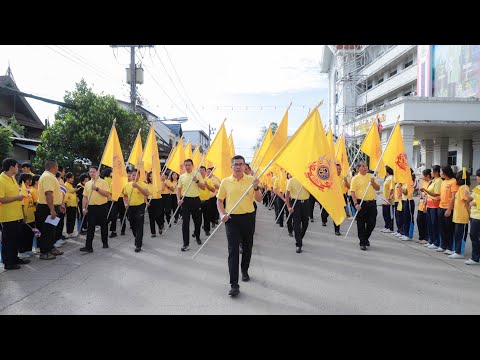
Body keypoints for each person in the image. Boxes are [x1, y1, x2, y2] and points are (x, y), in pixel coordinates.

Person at [217, 155, 262, 297]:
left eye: (241, 164)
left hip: (248, 218)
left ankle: (244, 269)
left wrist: (256, 188)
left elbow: (259, 200)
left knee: (248, 247)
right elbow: (219, 201)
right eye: (235, 164)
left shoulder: (251, 180)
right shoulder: (225, 182)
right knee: (233, 251)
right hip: (232, 220)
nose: (238, 166)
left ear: (244, 167)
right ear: (232, 166)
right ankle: (234, 284)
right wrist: (222, 214)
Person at [0, 158, 30, 270]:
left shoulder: (12, 178)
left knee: (16, 239)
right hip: (7, 216)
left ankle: (15, 258)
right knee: (8, 240)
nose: (18, 168)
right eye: (17, 166)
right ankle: (8, 263)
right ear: (12, 167)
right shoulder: (1, 180)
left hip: (16, 214)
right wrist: (17, 198)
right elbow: (1, 199)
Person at [36, 160, 64, 260]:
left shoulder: (50, 176)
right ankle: (44, 252)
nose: (57, 169)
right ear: (53, 167)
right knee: (46, 230)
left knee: (51, 230)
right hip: (46, 208)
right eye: (57, 167)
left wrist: (59, 204)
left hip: (52, 206)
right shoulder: (48, 177)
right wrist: (52, 209)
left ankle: (50, 248)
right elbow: (48, 194)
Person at [350, 161, 380, 250]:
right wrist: (356, 204)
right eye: (363, 166)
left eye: (366, 166)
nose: (365, 168)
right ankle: (362, 242)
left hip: (371, 203)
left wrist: (373, 183)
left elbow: (378, 188)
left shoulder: (372, 176)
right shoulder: (355, 178)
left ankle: (365, 238)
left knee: (372, 223)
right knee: (361, 224)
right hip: (361, 203)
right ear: (358, 168)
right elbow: (352, 192)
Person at [81, 166, 111, 253]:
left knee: (104, 226)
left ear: (98, 172)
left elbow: (107, 194)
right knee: (90, 227)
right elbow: (85, 197)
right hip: (91, 207)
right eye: (90, 172)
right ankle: (88, 246)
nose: (91, 173)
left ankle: (105, 242)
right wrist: (83, 208)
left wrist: (97, 189)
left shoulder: (103, 182)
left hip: (102, 206)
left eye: (93, 172)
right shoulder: (87, 184)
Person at [177, 159, 205, 251]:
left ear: (192, 165)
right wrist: (179, 199)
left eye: (189, 165)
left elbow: (203, 187)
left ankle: (197, 236)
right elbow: (178, 189)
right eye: (186, 165)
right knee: (185, 223)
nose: (187, 167)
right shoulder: (182, 176)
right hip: (185, 201)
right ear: (184, 166)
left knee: (197, 221)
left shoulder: (197, 175)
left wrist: (197, 181)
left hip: (196, 200)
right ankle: (186, 243)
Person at [123, 168, 149, 252]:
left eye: (136, 175)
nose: (134, 176)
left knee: (139, 226)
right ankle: (137, 237)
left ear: (139, 175)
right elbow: (125, 196)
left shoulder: (143, 184)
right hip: (131, 207)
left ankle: (138, 244)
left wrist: (137, 186)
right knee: (132, 225)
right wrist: (125, 203)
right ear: (131, 176)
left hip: (140, 207)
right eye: (133, 175)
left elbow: (146, 193)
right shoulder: (127, 185)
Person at [285, 175, 311, 253]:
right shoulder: (291, 181)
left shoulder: (307, 180)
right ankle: (298, 244)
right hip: (296, 203)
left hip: (306, 203)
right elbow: (287, 195)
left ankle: (299, 237)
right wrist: (288, 207)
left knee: (306, 222)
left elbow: (312, 191)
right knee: (296, 223)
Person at [449, 170, 470, 259]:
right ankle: (457, 250)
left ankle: (459, 251)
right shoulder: (461, 187)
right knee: (457, 234)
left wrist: (469, 214)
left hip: (462, 216)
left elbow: (466, 202)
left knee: (460, 234)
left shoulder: (464, 187)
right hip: (458, 216)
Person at [421, 165, 443, 250]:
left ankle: (436, 242)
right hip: (429, 205)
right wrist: (425, 204)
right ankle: (431, 240)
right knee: (429, 224)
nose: (431, 173)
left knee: (434, 224)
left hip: (435, 206)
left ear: (436, 172)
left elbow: (436, 194)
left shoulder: (439, 181)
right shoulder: (433, 181)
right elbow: (428, 195)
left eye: (432, 171)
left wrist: (425, 190)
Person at [437, 165, 458, 254]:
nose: (440, 173)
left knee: (449, 229)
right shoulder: (443, 182)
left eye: (441, 172)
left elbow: (453, 197)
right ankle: (443, 245)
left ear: (445, 172)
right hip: (441, 207)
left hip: (448, 208)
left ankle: (450, 247)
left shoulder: (453, 182)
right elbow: (441, 195)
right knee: (441, 228)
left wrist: (449, 209)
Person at [320, 163, 342, 236]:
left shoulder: (343, 177)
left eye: (340, 169)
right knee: (326, 212)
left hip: (339, 199)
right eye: (337, 169)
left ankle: (337, 230)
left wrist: (346, 181)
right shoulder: (330, 177)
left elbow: (348, 187)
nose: (339, 170)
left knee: (337, 214)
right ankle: (324, 219)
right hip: (330, 197)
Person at [464, 169, 480, 265]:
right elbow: (471, 198)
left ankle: (475, 258)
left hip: (478, 217)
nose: (477, 178)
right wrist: (468, 195)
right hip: (474, 216)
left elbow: (473, 202)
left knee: (474, 236)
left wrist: (471, 202)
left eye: (478, 176)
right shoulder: (477, 188)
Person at [18, 173, 36, 258]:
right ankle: (22, 251)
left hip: (31, 214)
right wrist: (23, 215)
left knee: (30, 233)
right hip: (25, 216)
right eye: (29, 179)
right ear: (25, 180)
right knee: (23, 234)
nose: (31, 181)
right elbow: (21, 204)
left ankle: (29, 249)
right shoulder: (21, 189)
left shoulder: (28, 188)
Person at [145, 171, 164, 237]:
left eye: (152, 176)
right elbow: (145, 194)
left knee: (157, 215)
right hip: (150, 201)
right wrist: (146, 202)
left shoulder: (159, 183)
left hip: (158, 200)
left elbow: (163, 189)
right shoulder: (147, 185)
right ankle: (153, 232)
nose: (151, 177)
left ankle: (160, 225)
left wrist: (162, 182)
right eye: (149, 176)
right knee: (151, 217)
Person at [198, 166, 216, 236]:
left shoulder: (208, 180)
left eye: (202, 170)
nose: (201, 172)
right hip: (198, 202)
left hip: (207, 201)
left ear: (205, 172)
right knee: (197, 218)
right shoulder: (196, 180)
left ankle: (207, 230)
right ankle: (196, 231)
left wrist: (206, 185)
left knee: (207, 217)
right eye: (199, 170)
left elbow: (213, 190)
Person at [399, 169, 415, 241]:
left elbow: (405, 193)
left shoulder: (410, 181)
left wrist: (400, 187)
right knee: (404, 217)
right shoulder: (405, 182)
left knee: (408, 218)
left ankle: (409, 234)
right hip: (404, 200)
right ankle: (405, 233)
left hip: (409, 201)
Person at [417, 169, 430, 244]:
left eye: (423, 175)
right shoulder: (423, 183)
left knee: (425, 222)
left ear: (427, 175)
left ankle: (426, 237)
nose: (422, 177)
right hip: (421, 204)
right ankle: (421, 237)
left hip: (426, 205)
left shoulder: (430, 183)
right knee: (419, 221)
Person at [381, 166, 394, 233]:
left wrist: (389, 197)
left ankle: (390, 227)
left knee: (388, 213)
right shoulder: (386, 178)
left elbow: (391, 189)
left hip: (388, 199)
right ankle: (386, 226)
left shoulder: (391, 178)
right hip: (384, 198)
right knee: (384, 213)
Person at [64, 172, 78, 238]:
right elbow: (71, 191)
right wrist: (75, 190)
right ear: (67, 178)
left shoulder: (70, 184)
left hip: (73, 204)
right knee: (70, 219)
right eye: (71, 178)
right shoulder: (66, 184)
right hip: (69, 205)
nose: (72, 179)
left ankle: (71, 231)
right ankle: (69, 232)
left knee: (72, 219)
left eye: (73, 178)